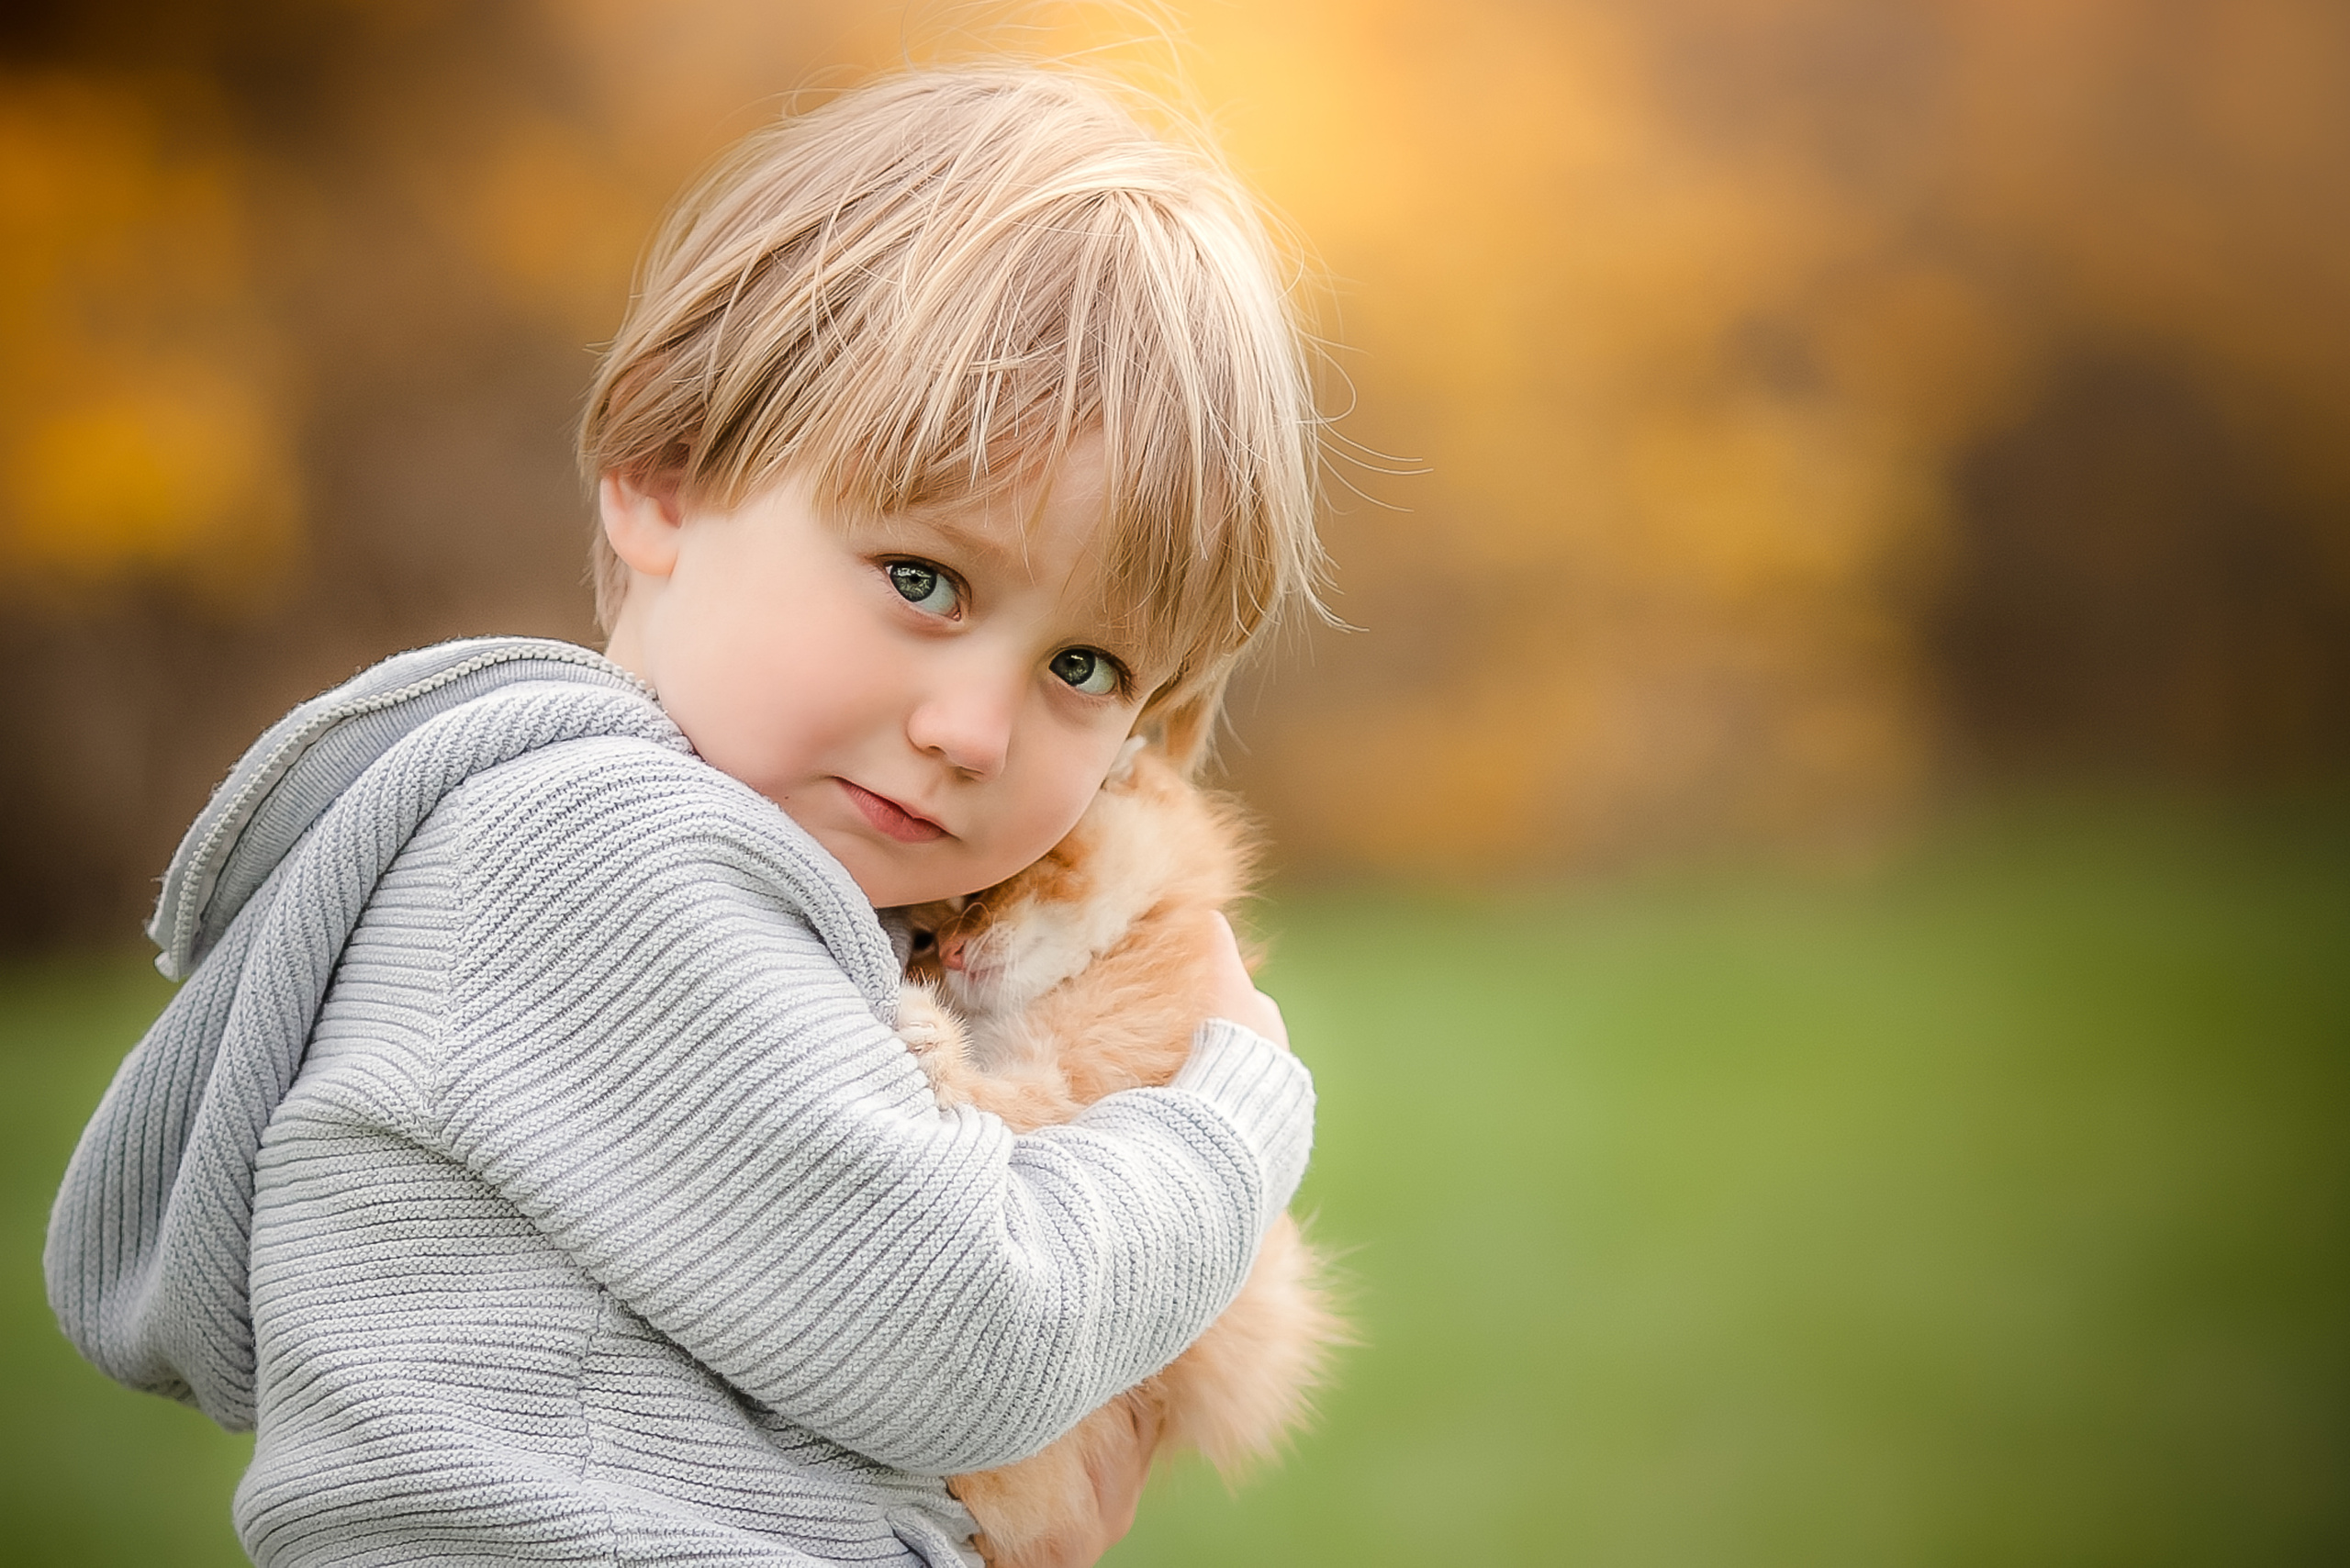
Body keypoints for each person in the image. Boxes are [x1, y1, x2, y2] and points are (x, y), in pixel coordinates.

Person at [45, 64, 1324, 1568]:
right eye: (924, 579)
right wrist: (1229, 1120)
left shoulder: (682, 873)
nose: (972, 730)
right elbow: (967, 1335)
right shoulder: (592, 851)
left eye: (1085, 666)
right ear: (663, 479)